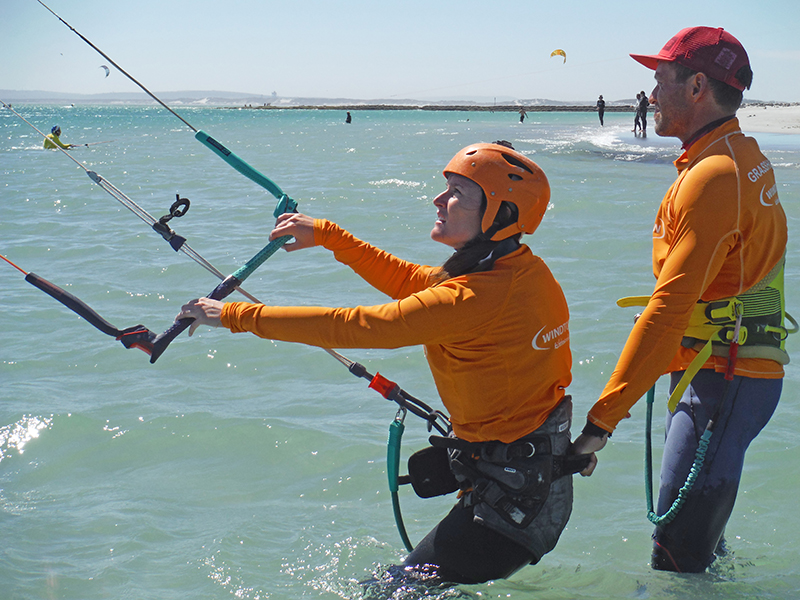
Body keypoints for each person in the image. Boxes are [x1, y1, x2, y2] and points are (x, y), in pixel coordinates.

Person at [179, 141, 587, 584]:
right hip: (521, 481)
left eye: (457, 193)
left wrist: (235, 314)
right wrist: (331, 237)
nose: (438, 199)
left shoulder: (478, 295)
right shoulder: (513, 268)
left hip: (515, 508)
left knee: (386, 592)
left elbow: (364, 325)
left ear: (501, 215)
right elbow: (409, 282)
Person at [572, 27, 789, 573]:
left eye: (658, 80)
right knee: (700, 549)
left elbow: (668, 309)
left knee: (677, 557)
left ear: (697, 86)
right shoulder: (739, 154)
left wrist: (599, 425)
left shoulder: (715, 176)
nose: (649, 94)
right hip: (728, 370)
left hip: (724, 376)